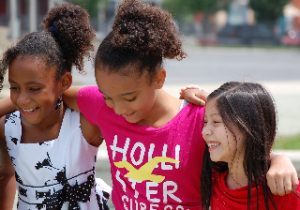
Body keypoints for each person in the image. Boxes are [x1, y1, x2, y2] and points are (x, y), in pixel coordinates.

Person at [1, 0, 297, 209]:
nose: (118, 108)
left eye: (129, 98)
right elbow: (45, 94)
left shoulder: (196, 118)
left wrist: (280, 161)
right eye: (108, 96)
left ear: (159, 78)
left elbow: (245, 148)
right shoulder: (99, 104)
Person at [0, 3, 110, 210]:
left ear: (64, 82)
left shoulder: (84, 123)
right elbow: (5, 175)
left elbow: (113, 100)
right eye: (14, 87)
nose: (22, 99)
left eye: (34, 88)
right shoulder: (7, 128)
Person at [185, 82, 300, 210]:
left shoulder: (284, 188)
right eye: (205, 122)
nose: (205, 131)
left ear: (248, 127)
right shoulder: (213, 178)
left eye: (216, 122)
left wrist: (280, 159)